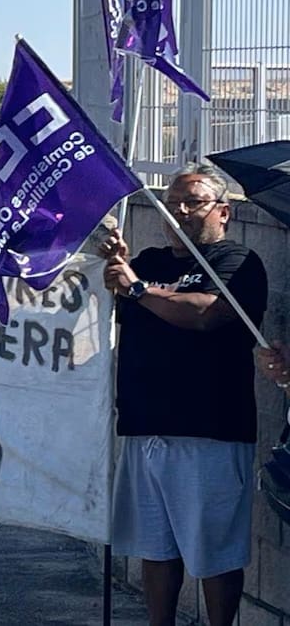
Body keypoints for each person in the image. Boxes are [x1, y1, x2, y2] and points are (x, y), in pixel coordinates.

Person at [99, 164, 267, 626]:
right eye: (172, 205)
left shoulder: (238, 263)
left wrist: (136, 289)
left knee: (214, 553)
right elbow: (106, 305)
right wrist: (112, 265)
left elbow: (204, 315)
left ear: (224, 212)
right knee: (156, 548)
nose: (179, 214)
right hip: (145, 425)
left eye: (192, 203)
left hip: (209, 429)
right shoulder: (150, 261)